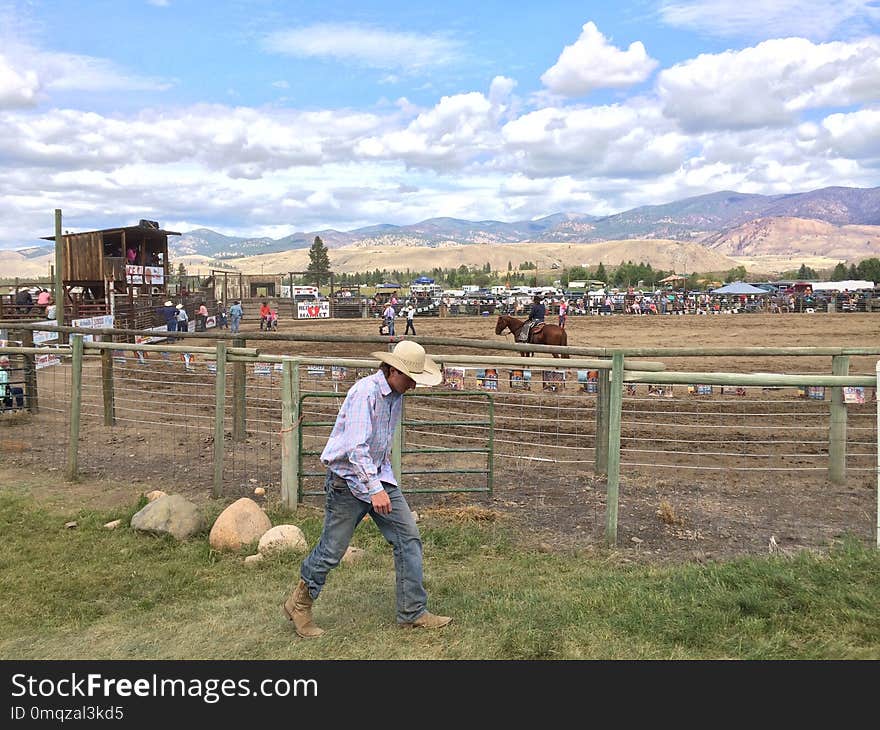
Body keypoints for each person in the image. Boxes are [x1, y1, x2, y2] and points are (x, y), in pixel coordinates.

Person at [283, 340, 451, 638]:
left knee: (408, 537)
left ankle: (412, 611)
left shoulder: (395, 396)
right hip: (348, 481)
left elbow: (376, 447)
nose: (414, 385)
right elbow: (355, 448)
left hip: (377, 477)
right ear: (394, 371)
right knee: (332, 550)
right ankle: (299, 603)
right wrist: (375, 489)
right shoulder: (365, 393)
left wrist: (380, 484)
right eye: (412, 378)